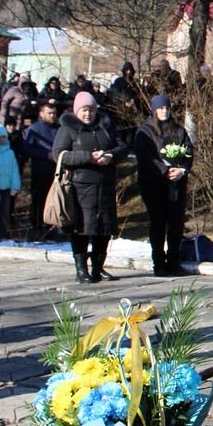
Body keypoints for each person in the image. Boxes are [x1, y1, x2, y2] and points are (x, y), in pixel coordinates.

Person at [52, 91, 129, 284]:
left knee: (104, 228)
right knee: (81, 228)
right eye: (84, 110)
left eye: (91, 110)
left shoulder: (106, 126)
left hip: (105, 185)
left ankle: (98, 267)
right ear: (77, 111)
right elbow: (59, 155)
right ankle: (81, 269)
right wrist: (89, 157)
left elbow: (122, 148)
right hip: (80, 186)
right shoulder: (67, 129)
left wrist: (110, 156)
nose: (88, 114)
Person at [135, 94, 192, 277]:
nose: (164, 111)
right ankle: (158, 263)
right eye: (160, 108)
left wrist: (182, 169)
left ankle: (174, 261)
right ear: (154, 110)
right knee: (158, 223)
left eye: (167, 108)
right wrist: (164, 170)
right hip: (154, 184)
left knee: (176, 223)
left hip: (176, 183)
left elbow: (188, 152)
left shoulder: (178, 130)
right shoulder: (145, 132)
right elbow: (145, 157)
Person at [23, 101, 61, 241]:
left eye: (54, 113)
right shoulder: (34, 129)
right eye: (49, 113)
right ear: (41, 114)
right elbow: (27, 149)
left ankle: (52, 225)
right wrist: (45, 154)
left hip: (56, 171)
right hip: (40, 170)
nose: (52, 116)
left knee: (54, 200)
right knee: (38, 200)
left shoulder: (60, 128)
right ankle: (36, 226)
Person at [0, 123, 21, 241]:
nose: (1, 139)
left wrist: (15, 186)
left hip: (6, 188)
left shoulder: (10, 152)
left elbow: (14, 170)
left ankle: (1, 233)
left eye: (3, 137)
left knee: (4, 212)